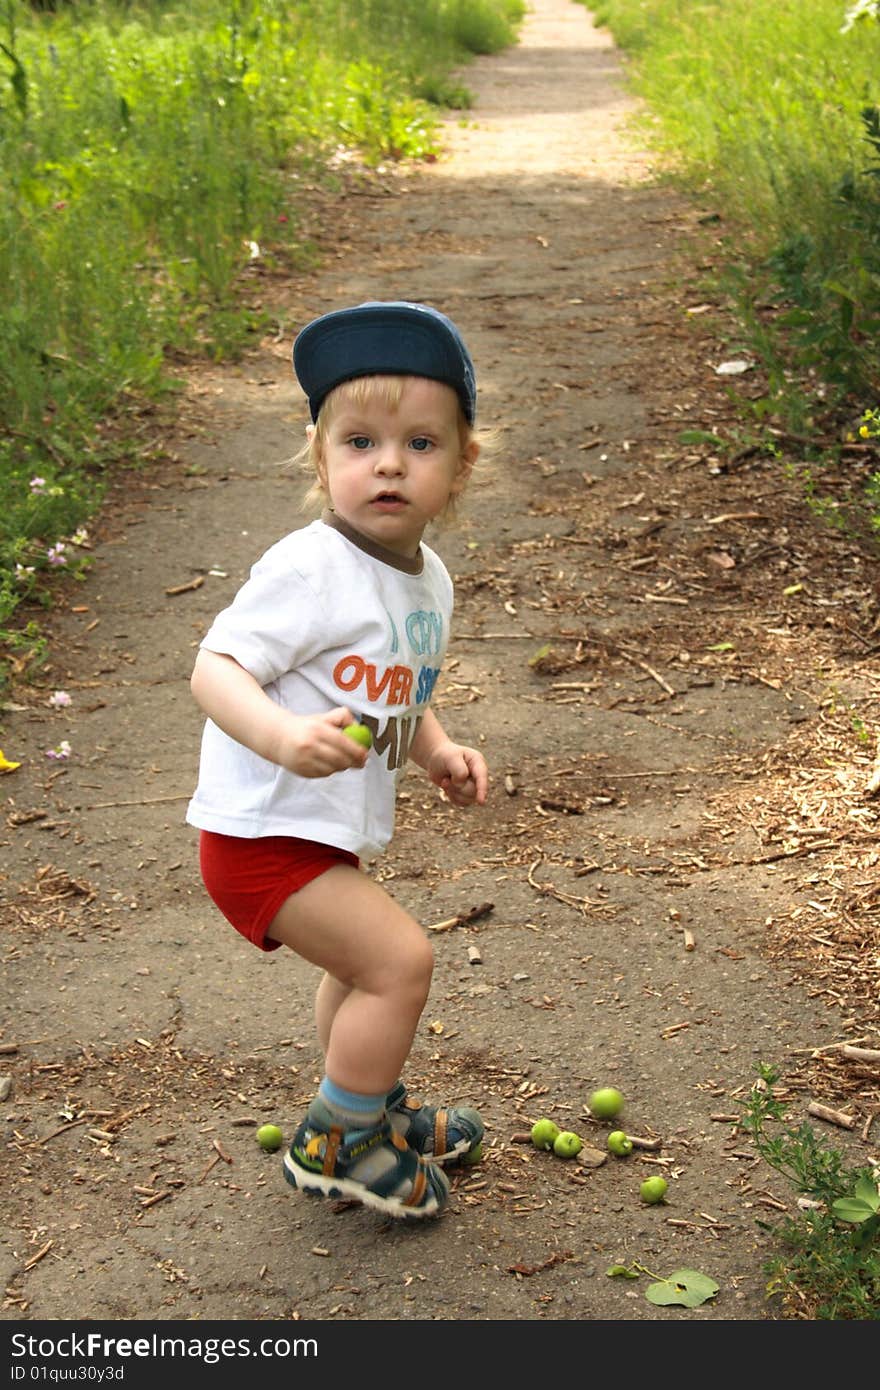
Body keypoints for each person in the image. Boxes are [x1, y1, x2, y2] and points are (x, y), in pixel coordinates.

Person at [186, 301, 489, 1220]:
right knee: (400, 961)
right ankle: (339, 1136)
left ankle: (370, 1103)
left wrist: (433, 746)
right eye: (359, 441)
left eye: (420, 444)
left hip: (315, 830)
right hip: (259, 831)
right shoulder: (310, 566)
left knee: (362, 974)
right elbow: (214, 666)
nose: (389, 463)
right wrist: (281, 736)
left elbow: (403, 680)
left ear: (461, 467)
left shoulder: (425, 576)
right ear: (321, 460)